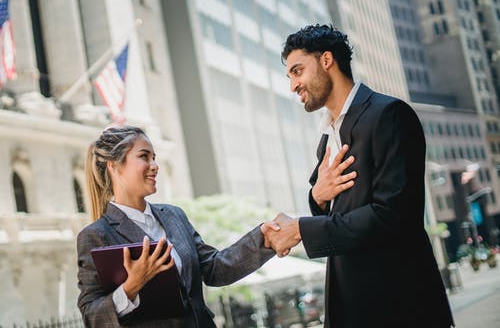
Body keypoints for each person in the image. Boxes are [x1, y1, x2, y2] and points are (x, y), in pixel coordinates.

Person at [262, 24, 455, 328]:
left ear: (327, 60)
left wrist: (301, 228)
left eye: (297, 71)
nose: (293, 86)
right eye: (289, 76)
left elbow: (393, 216)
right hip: (352, 306)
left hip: (400, 306)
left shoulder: (389, 114)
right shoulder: (327, 138)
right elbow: (331, 209)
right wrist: (317, 198)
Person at [77, 125, 279, 328]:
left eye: (154, 157)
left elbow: (215, 268)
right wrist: (131, 286)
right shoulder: (97, 236)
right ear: (114, 166)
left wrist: (264, 239)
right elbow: (92, 317)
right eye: (144, 157)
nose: (154, 165)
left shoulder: (174, 215)